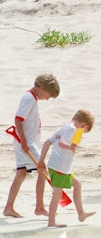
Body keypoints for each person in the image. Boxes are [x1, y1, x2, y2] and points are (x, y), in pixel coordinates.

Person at [3, 74, 60, 218]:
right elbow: (18, 120)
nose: (47, 98)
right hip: (26, 143)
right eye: (48, 95)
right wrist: (23, 141)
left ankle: (9, 208)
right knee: (42, 168)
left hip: (26, 142)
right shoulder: (29, 98)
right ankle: (39, 207)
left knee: (21, 173)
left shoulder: (32, 99)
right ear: (41, 88)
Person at [38, 109, 96, 227]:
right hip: (60, 167)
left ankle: (81, 214)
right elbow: (61, 143)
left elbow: (47, 143)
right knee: (57, 194)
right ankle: (51, 222)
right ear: (84, 125)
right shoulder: (72, 129)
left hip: (62, 167)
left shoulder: (64, 127)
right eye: (84, 131)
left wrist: (41, 160)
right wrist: (70, 147)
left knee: (77, 185)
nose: (82, 133)